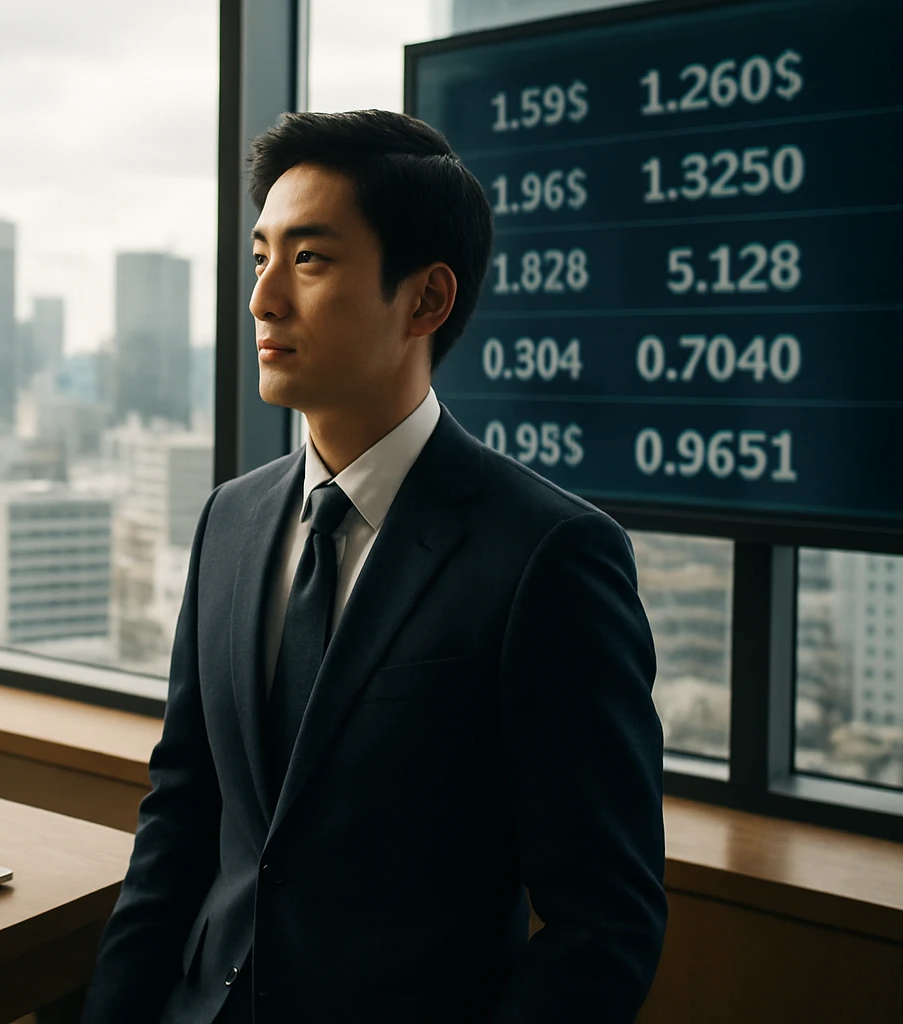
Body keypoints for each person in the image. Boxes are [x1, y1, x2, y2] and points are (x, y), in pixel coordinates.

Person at [80, 109, 667, 1024]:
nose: (264, 299)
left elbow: (607, 923)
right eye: (260, 256)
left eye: (309, 260)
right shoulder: (230, 520)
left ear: (427, 300)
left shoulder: (548, 557)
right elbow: (183, 814)